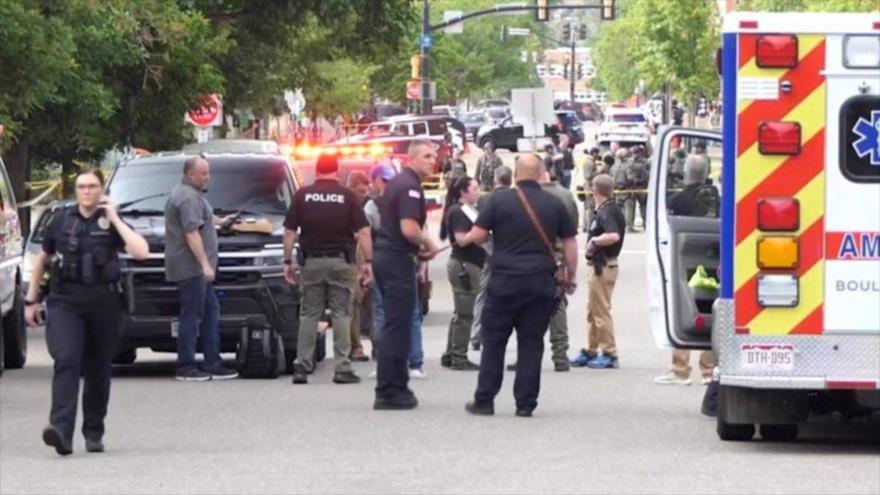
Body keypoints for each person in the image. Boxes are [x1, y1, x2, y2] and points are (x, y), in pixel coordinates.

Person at [24, 169, 149, 456]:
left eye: (92, 186)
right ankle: (60, 430)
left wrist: (115, 218)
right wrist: (31, 300)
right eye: (81, 186)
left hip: (104, 303)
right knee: (67, 360)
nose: (87, 191)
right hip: (65, 301)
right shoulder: (61, 220)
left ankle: (93, 431)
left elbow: (141, 251)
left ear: (102, 189)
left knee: (98, 368)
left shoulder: (111, 221)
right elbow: (42, 259)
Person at [458, 154, 578, 417]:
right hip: (540, 282)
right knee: (531, 342)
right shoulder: (554, 203)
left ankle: (485, 400)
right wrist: (570, 276)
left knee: (494, 341)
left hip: (504, 280)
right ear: (541, 174)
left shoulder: (497, 200)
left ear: (515, 174)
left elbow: (479, 236)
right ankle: (525, 403)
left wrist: (481, 237)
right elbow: (570, 243)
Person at [282, 153, 372, 385]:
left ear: (317, 170)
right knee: (342, 313)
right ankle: (342, 368)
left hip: (311, 263)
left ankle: (302, 366)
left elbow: (290, 232)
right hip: (341, 263)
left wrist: (287, 262)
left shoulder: (303, 195)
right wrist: (368, 262)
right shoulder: (348, 197)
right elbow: (363, 232)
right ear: (337, 171)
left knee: (309, 314)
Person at [373, 140, 439, 410]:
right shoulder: (409, 186)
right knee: (398, 327)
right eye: (426, 156)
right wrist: (429, 243)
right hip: (395, 260)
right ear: (411, 159)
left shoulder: (400, 183)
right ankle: (390, 390)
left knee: (395, 324)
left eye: (433, 156)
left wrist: (418, 249)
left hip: (390, 256)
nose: (432, 161)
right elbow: (409, 228)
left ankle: (394, 386)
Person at [164, 157, 240, 382]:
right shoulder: (187, 198)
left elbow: (203, 218)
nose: (208, 177)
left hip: (195, 269)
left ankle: (212, 363)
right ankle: (186, 367)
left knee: (210, 312)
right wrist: (205, 265)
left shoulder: (191, 195)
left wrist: (221, 222)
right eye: (203, 173)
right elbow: (192, 233)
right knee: (191, 316)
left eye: (208, 172)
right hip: (191, 269)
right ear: (190, 174)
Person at [570, 174, 626, 369]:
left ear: (595, 190)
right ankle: (591, 348)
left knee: (601, 311)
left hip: (603, 265)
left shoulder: (607, 212)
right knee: (593, 310)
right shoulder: (605, 209)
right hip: (599, 265)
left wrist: (595, 241)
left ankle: (609, 352)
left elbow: (613, 235)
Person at [439, 177, 483, 371]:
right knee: (465, 314)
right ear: (463, 192)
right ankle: (459, 356)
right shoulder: (459, 211)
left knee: (460, 312)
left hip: (470, 264)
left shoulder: (469, 210)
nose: (478, 192)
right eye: (474, 189)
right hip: (464, 265)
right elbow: (461, 239)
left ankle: (451, 353)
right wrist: (479, 232)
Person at [469, 165, 513, 351]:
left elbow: (479, 228)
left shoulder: (485, 200)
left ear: (495, 180)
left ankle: (476, 334)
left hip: (490, 250)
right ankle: (501, 334)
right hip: (511, 252)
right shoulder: (517, 199)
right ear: (511, 180)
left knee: (483, 293)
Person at [347, 170, 373, 362]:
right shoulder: (344, 206)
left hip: (369, 259)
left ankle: (378, 346)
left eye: (366, 191)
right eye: (360, 191)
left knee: (373, 305)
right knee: (353, 305)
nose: (364, 195)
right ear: (351, 188)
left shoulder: (369, 206)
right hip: (350, 261)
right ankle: (355, 346)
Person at [611, 147, 635, 232]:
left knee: (619, 209)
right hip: (626, 189)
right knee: (629, 208)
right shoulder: (628, 166)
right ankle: (629, 226)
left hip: (616, 190)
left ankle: (619, 226)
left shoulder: (614, 166)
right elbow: (630, 178)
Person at [627, 144, 651, 231]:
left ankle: (643, 224)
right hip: (636, 186)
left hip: (639, 186)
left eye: (636, 152)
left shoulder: (631, 162)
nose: (635, 154)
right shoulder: (644, 162)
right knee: (633, 206)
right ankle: (632, 225)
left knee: (641, 206)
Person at [581, 147, 604, 233]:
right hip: (590, 186)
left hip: (589, 186)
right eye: (597, 153)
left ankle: (585, 226)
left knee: (587, 207)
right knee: (590, 207)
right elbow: (588, 176)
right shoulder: (589, 162)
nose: (598, 155)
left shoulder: (589, 161)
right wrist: (599, 171)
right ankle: (589, 226)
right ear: (594, 153)